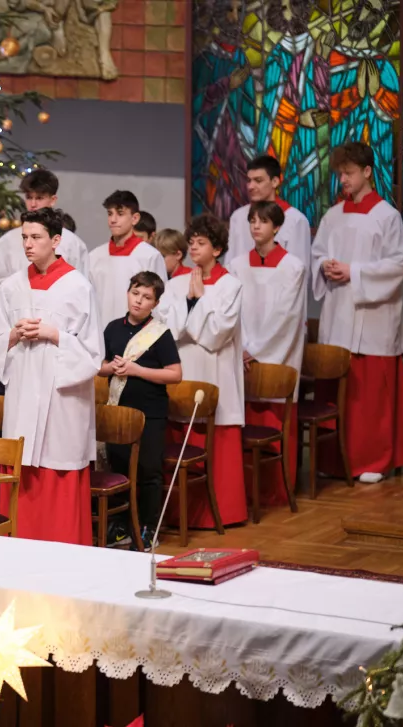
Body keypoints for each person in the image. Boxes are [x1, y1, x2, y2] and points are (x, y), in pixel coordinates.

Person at [0, 207, 102, 545]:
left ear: (56, 241)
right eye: (24, 238)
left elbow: (93, 354)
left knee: (56, 462)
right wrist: (14, 335)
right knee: (23, 463)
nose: (28, 245)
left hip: (62, 398)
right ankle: (18, 541)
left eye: (36, 238)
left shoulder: (78, 287)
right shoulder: (12, 287)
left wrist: (54, 334)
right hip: (22, 388)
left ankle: (64, 545)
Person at [312, 141, 403, 483]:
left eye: (349, 173)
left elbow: (398, 265)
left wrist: (353, 271)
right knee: (337, 391)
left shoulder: (387, 216)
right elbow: (317, 254)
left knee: (368, 397)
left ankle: (373, 460)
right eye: (341, 174)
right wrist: (324, 266)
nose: (344, 180)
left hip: (373, 317)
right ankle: (334, 459)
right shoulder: (332, 215)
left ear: (367, 172)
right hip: (338, 310)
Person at [158, 213, 247, 529]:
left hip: (215, 369)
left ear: (218, 249)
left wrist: (197, 302)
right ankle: (177, 513)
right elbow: (166, 326)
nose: (193, 248)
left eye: (201, 243)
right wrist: (190, 302)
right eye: (191, 242)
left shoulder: (231, 285)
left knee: (214, 431)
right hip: (183, 365)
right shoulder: (177, 282)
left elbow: (218, 334)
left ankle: (221, 512)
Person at [226, 200, 306, 506]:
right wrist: (242, 347)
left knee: (274, 422)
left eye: (262, 221)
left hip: (276, 354)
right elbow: (235, 312)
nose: (256, 227)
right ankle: (245, 491)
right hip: (243, 353)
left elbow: (286, 317)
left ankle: (277, 491)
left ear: (277, 227)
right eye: (252, 221)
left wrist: (254, 350)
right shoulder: (236, 265)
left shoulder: (293, 267)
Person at [99, 271, 182, 545]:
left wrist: (136, 369)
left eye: (146, 297)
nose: (138, 301)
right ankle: (121, 524)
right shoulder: (112, 328)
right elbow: (99, 367)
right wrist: (111, 368)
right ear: (128, 293)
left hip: (150, 413)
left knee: (148, 471)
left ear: (155, 304)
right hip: (119, 412)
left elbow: (175, 374)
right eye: (135, 293)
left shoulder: (160, 333)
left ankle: (149, 528)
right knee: (119, 468)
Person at [0, 169, 88, 287]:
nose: (33, 204)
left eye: (39, 198)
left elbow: (82, 286)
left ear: (52, 200)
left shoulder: (72, 243)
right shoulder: (7, 241)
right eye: (29, 197)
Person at [86, 190, 168, 325]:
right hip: (102, 333)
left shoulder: (149, 256)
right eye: (110, 214)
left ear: (135, 218)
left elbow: (160, 302)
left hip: (139, 335)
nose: (113, 220)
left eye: (120, 214)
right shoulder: (95, 256)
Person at [226, 155, 312, 274]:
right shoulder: (238, 217)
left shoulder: (295, 220)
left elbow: (300, 271)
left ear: (275, 182)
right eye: (249, 180)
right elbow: (230, 263)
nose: (250, 186)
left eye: (258, 180)